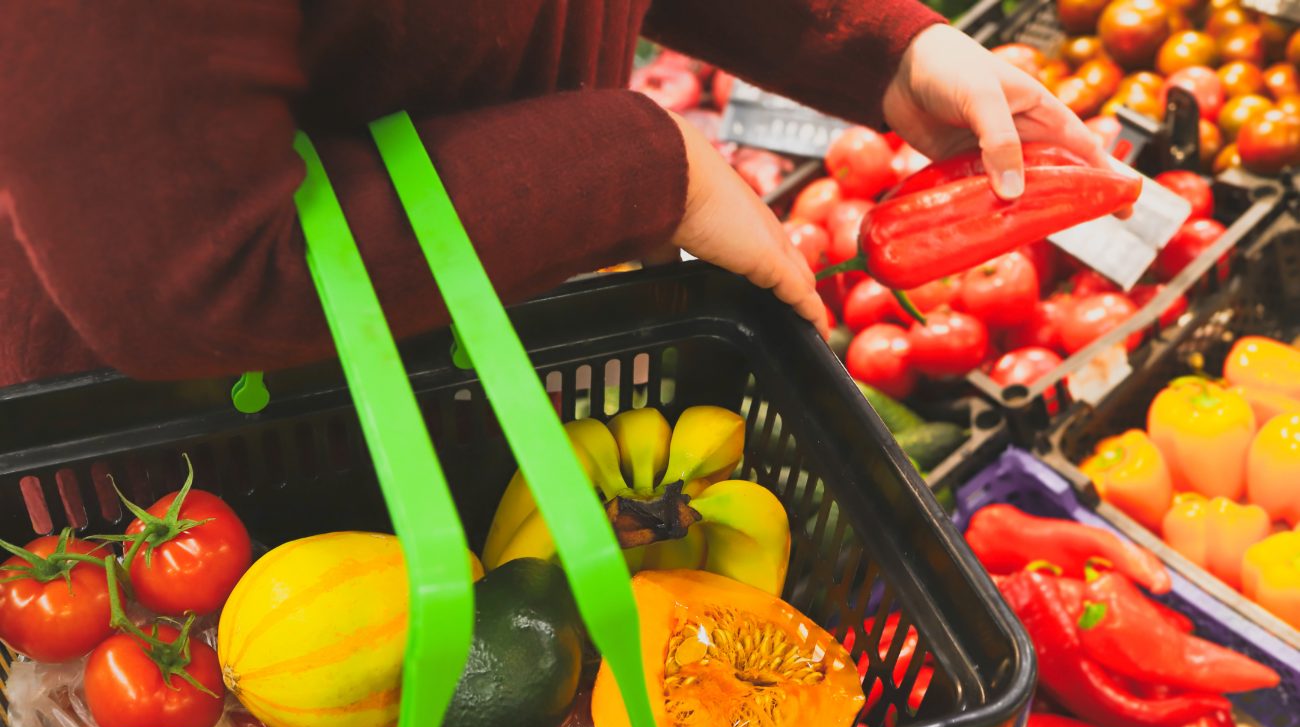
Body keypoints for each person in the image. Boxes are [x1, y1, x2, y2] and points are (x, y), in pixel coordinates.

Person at [0, 1, 1110, 389]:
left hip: (466, 320)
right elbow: (193, 270)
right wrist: (642, 169)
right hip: (198, 443)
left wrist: (877, 49)